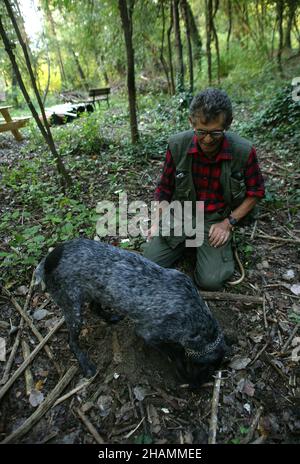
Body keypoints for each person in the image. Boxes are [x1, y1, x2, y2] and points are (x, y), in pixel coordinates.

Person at [143, 88, 265, 290]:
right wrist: (156, 222)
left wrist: (229, 223)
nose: (208, 140)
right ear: (191, 122)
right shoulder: (177, 145)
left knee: (210, 281)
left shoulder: (242, 151)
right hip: (183, 212)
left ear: (228, 124)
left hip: (216, 218)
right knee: (149, 262)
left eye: (215, 133)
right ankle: (187, 242)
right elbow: (164, 188)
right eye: (201, 132)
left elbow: (256, 192)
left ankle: (201, 246)